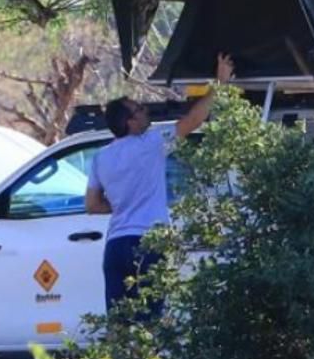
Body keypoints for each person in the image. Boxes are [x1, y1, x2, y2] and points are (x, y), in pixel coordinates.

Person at [85, 53, 233, 318]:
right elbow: (193, 120)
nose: (144, 110)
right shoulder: (151, 144)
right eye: (139, 109)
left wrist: (122, 202)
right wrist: (219, 84)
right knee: (150, 322)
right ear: (129, 122)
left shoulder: (100, 157)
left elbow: (93, 205)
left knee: (120, 324)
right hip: (148, 242)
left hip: (115, 246)